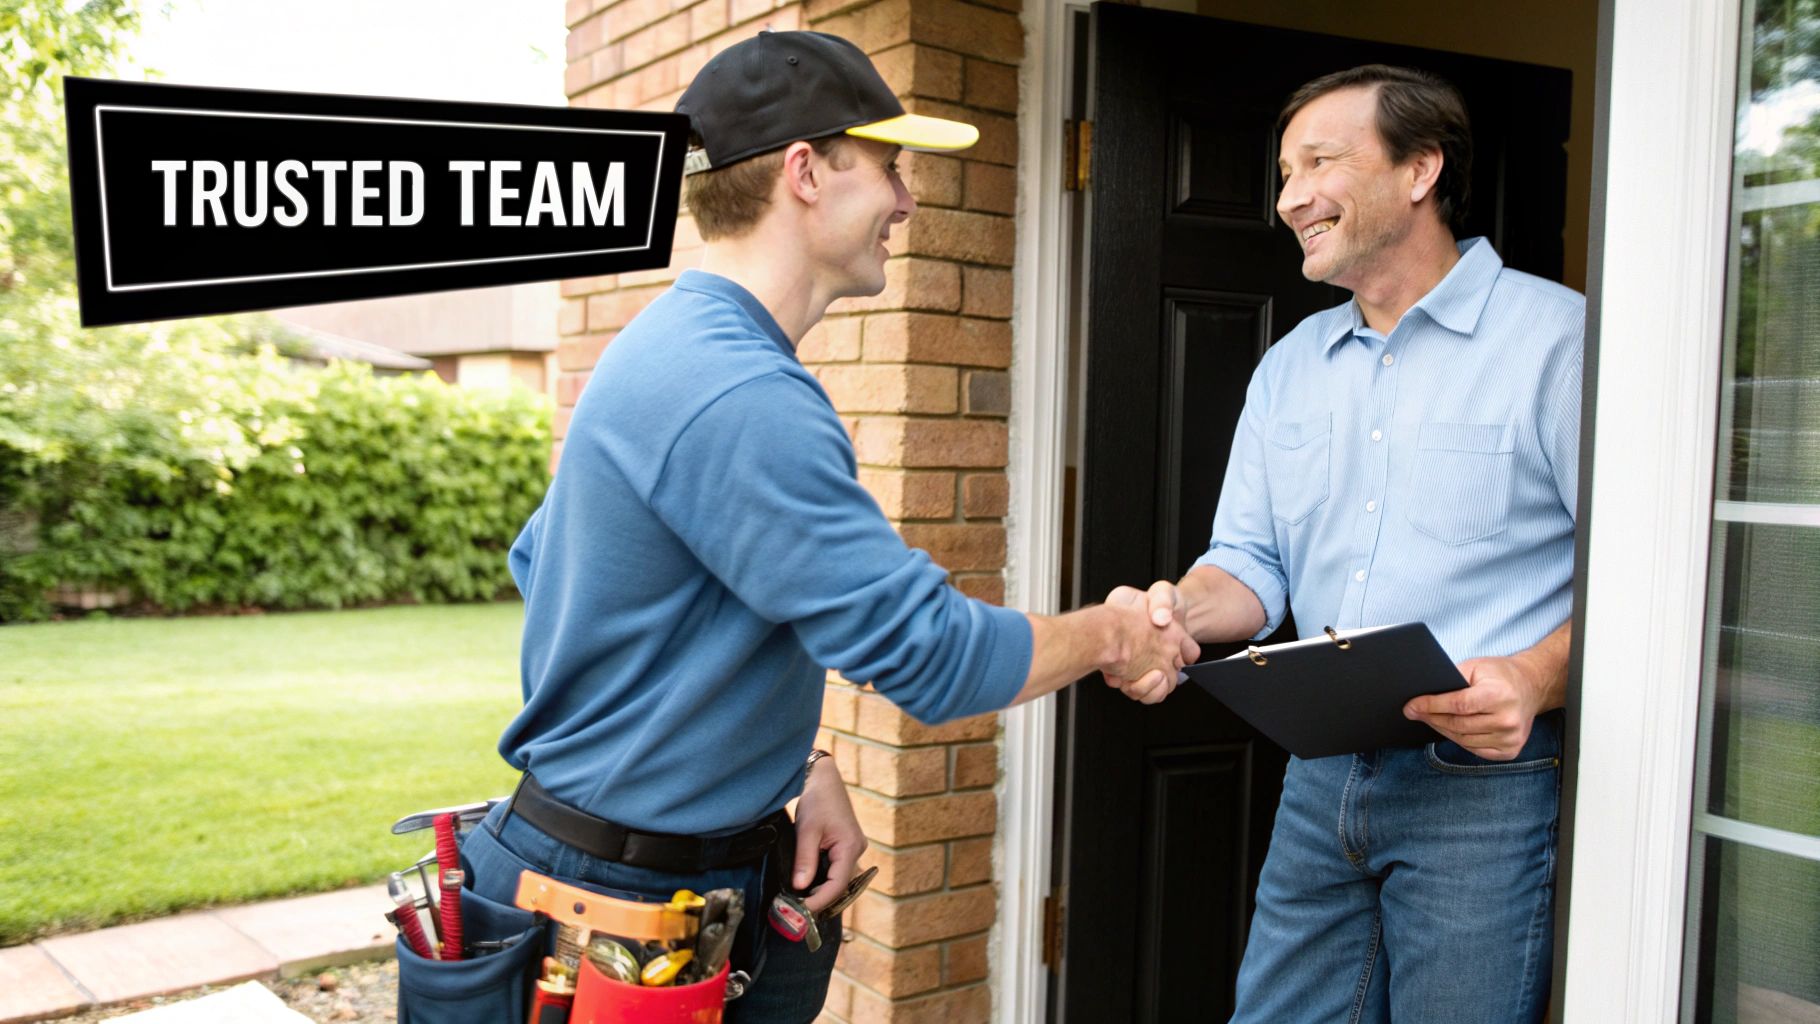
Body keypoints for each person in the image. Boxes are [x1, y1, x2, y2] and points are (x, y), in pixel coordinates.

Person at [458, 30, 1197, 1023]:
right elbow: (930, 658)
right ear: (805, 171)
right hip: (620, 909)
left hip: (648, 869)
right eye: (889, 164)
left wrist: (794, 769)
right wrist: (1113, 631)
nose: (907, 197)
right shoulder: (737, 389)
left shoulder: (677, 347)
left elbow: (541, 560)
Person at [1107, 65, 1582, 1023]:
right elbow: (1250, 567)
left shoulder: (1562, 341)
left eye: (1318, 163)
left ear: (1421, 170)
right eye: (1285, 173)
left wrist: (1534, 676)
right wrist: (1171, 614)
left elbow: (1650, 581)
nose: (1289, 199)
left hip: (1483, 784)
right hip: (1321, 774)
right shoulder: (1289, 369)